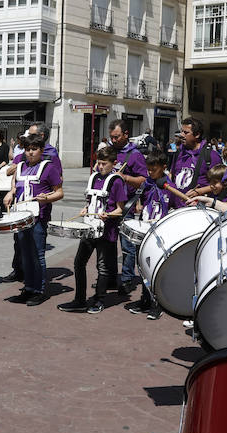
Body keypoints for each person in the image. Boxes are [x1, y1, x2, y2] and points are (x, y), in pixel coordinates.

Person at [57, 146, 127, 314]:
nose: (100, 166)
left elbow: (120, 209)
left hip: (106, 231)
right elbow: (91, 201)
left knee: (102, 267)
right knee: (79, 263)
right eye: (98, 162)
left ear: (114, 163)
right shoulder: (93, 178)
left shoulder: (116, 181)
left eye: (104, 163)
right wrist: (85, 208)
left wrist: (109, 214)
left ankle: (99, 300)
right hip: (89, 228)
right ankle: (80, 299)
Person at [3, 133, 63, 306]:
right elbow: (15, 186)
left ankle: (40, 290)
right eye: (28, 149)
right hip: (20, 217)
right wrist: (10, 193)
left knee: (38, 254)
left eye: (34, 149)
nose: (30, 153)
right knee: (25, 254)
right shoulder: (20, 166)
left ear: (41, 150)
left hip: (38, 218)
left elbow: (59, 191)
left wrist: (47, 199)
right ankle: (28, 288)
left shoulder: (49, 167)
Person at [125, 150, 173, 320]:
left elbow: (178, 206)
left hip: (161, 232)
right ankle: (145, 300)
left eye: (154, 170)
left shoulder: (170, 186)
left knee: (156, 269)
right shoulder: (147, 183)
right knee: (143, 266)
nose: (150, 173)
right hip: (145, 227)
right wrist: (138, 204)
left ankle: (158, 304)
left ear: (163, 168)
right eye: (149, 170)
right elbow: (141, 197)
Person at [109, 119, 148, 295]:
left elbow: (143, 180)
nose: (114, 140)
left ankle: (127, 280)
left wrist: (124, 177)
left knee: (127, 246)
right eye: (111, 137)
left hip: (127, 207)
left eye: (117, 137)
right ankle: (109, 277)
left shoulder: (135, 155)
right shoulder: (109, 151)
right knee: (108, 244)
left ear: (126, 135)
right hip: (108, 206)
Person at [171, 117, 223, 199]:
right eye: (182, 132)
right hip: (178, 207)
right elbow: (172, 174)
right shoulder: (179, 153)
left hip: (198, 208)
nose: (181, 135)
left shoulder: (211, 156)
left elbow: (220, 184)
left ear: (197, 135)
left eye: (186, 132)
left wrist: (199, 192)